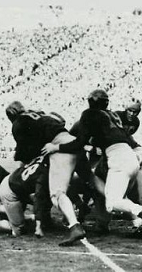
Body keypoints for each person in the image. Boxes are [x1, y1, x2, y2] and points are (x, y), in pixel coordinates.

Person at [42, 89, 142, 236]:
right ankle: (139, 225)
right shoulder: (112, 115)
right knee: (118, 196)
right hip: (130, 156)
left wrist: (56, 147)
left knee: (113, 202)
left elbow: (78, 142)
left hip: (117, 159)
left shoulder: (89, 115)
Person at [6, 101, 86, 246]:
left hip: (58, 148)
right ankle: (135, 212)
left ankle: (74, 226)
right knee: (90, 179)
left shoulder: (19, 123)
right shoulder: (40, 114)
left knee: (56, 193)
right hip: (72, 142)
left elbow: (23, 153)